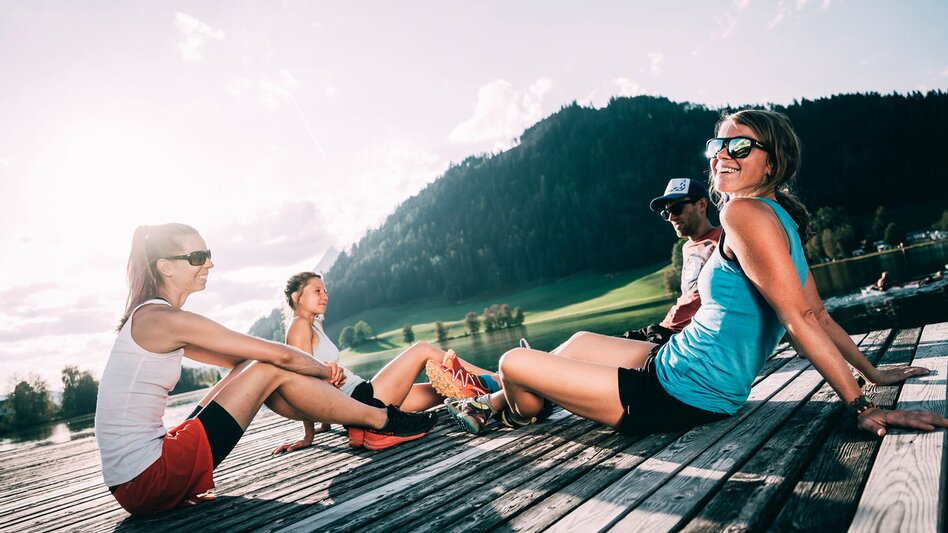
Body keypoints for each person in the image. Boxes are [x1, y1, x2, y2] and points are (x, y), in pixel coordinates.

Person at [446, 109, 947, 440]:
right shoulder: (776, 216)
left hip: (677, 396)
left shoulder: (741, 213)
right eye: (718, 146)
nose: (722, 155)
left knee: (514, 360)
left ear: (773, 163)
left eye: (740, 147)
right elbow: (817, 311)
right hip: (675, 364)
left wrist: (860, 406)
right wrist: (874, 374)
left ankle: (514, 410)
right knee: (575, 343)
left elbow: (800, 320)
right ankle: (504, 400)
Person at [94, 224, 437, 516]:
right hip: (148, 478)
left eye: (208, 254)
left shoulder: (153, 317)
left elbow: (241, 363)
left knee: (256, 367)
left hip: (136, 479)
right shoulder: (162, 319)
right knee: (267, 366)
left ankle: (364, 420)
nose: (210, 263)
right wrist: (322, 370)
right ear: (165, 267)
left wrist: (305, 375)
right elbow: (278, 356)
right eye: (197, 257)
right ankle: (380, 420)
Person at [271, 271, 502, 454]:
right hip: (363, 399)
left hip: (367, 397)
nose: (325, 296)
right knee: (422, 349)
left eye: (325, 290)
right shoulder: (299, 325)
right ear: (297, 297)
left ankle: (487, 400)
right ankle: (496, 379)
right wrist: (309, 435)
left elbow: (313, 376)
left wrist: (325, 423)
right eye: (317, 291)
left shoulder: (313, 324)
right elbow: (303, 384)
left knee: (443, 390)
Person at [622, 178, 722, 345]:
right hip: (665, 328)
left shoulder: (725, 239)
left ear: (702, 205)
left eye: (677, 209)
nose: (671, 218)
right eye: (666, 213)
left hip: (683, 336)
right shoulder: (687, 247)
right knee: (584, 345)